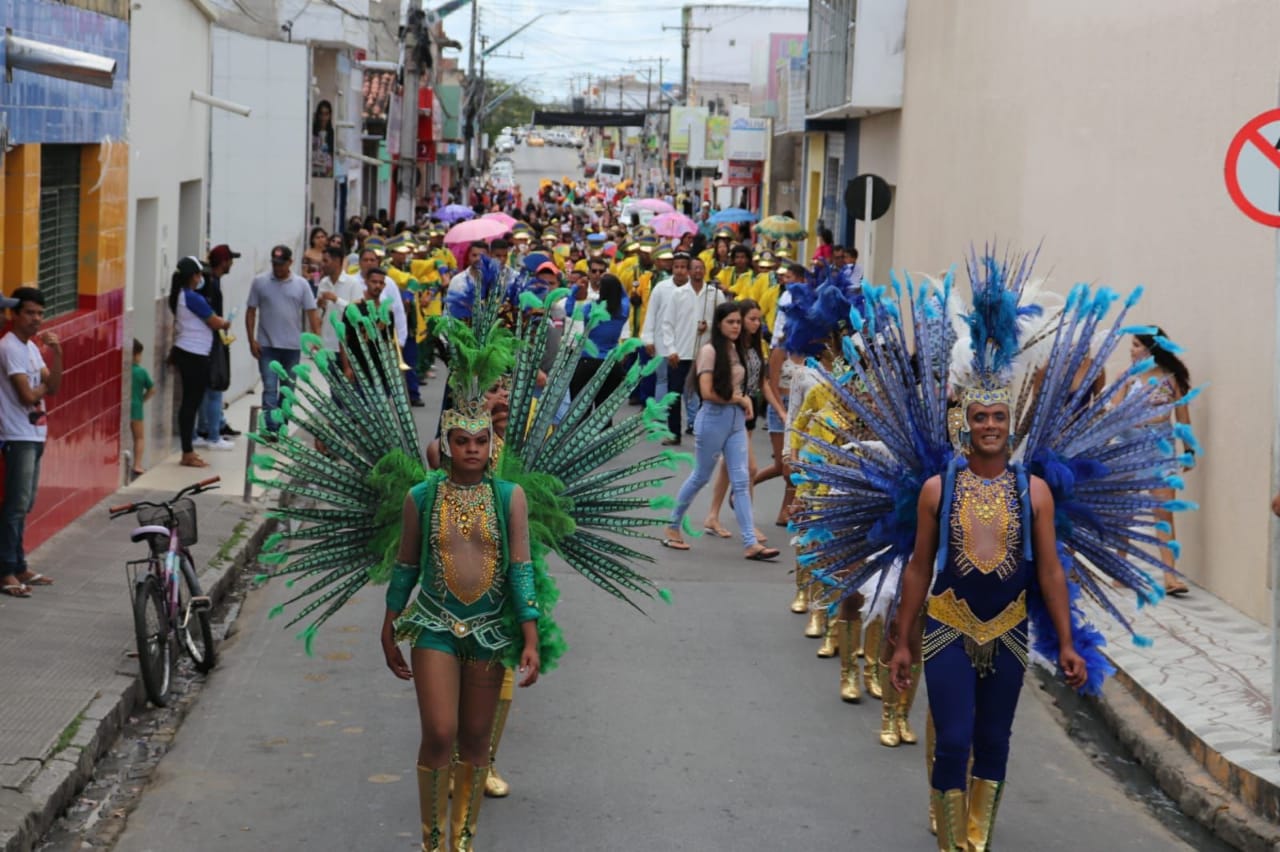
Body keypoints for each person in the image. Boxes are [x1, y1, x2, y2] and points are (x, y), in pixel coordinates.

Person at [382, 373, 540, 852]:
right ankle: (433, 844)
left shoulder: (509, 496)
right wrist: (389, 626)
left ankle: (462, 842)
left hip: (490, 632)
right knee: (440, 732)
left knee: (474, 741)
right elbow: (407, 565)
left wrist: (531, 637)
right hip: (433, 624)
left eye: (480, 440)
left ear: (492, 446)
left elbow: (521, 569)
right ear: (446, 445)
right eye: (461, 441)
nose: (471, 448)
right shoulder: (421, 497)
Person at [662, 302, 780, 561]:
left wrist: (744, 401)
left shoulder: (739, 351)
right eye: (731, 322)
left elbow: (756, 382)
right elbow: (706, 393)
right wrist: (739, 399)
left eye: (739, 322)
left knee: (741, 479)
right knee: (700, 477)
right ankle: (672, 526)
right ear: (719, 324)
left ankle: (750, 543)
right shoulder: (709, 351)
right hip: (713, 419)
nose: (737, 326)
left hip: (737, 421)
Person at [1114, 328, 1196, 596]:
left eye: (1136, 345)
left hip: (1160, 449)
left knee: (1164, 512)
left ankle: (1170, 577)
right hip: (1129, 447)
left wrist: (1189, 449)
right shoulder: (1127, 378)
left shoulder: (1172, 381)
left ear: (1150, 348)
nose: (1131, 350)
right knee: (1125, 510)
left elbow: (1182, 417)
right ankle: (1121, 567)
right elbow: (1113, 414)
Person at [702, 298, 784, 541]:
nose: (756, 324)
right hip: (733, 409)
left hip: (748, 411)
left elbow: (763, 383)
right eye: (752, 319)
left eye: (759, 320)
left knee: (727, 468)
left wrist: (779, 410)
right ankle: (748, 523)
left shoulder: (756, 347)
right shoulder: (731, 348)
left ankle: (713, 515)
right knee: (749, 468)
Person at [0, 288, 58, 597]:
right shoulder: (9, 348)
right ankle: (7, 570)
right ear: (14, 314)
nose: (36, 319)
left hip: (36, 433)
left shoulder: (32, 349)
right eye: (30, 313)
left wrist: (57, 355)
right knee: (14, 506)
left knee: (25, 505)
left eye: (40, 313)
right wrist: (42, 388)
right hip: (16, 435)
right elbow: (27, 396)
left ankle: (19, 565)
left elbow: (55, 385)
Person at [245, 245, 321, 438]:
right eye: (274, 264)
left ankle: (281, 427)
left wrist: (315, 338)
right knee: (270, 389)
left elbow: (311, 312)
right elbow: (251, 311)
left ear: (290, 262)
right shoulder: (260, 282)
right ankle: (270, 429)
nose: (277, 268)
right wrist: (251, 340)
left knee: (287, 391)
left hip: (292, 348)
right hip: (267, 346)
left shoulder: (301, 285)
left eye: (281, 264)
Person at [170, 257, 234, 467]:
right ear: (192, 277)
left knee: (191, 403)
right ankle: (187, 452)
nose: (201, 278)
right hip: (194, 355)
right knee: (191, 403)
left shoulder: (181, 296)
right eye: (199, 274)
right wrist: (226, 322)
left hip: (190, 353)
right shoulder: (192, 298)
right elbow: (215, 322)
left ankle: (188, 449)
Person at [662, 254, 725, 441]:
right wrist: (671, 349)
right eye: (694, 268)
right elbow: (667, 324)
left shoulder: (715, 294)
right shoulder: (678, 294)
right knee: (674, 394)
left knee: (706, 396)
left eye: (701, 268)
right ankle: (673, 433)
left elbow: (725, 321)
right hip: (680, 353)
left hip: (706, 355)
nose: (698, 271)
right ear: (689, 271)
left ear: (704, 271)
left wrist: (710, 325)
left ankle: (703, 431)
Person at [568, 273, 629, 419]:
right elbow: (624, 295)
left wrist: (575, 289)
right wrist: (614, 282)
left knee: (580, 410)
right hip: (611, 364)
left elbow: (569, 310)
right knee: (604, 413)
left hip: (587, 362)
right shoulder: (623, 310)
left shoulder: (591, 309)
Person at [197, 243, 241, 441]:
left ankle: (211, 425)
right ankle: (212, 433)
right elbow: (211, 316)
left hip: (209, 340)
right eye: (230, 259)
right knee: (214, 387)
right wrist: (222, 324)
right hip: (209, 342)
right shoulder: (211, 285)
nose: (232, 263)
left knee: (208, 388)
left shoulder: (210, 283)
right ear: (224, 262)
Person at [316, 245, 367, 356]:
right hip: (326, 344)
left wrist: (336, 300)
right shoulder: (323, 283)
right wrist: (320, 306)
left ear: (337, 261)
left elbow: (357, 314)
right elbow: (319, 316)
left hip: (346, 346)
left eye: (326, 261)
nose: (322, 264)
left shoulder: (353, 283)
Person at [129, 339, 155, 481]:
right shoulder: (141, 371)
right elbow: (152, 389)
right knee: (139, 437)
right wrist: (143, 399)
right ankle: (137, 464)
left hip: (124, 407)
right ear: (136, 355)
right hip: (137, 408)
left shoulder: (123, 369)